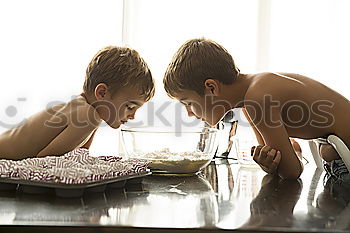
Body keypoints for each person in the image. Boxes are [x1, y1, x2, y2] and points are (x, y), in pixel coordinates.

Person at [163, 38, 350, 179]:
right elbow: (277, 158)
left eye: (188, 103)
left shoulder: (257, 98)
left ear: (211, 88)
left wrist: (294, 156)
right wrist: (270, 162)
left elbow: (292, 172)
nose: (189, 113)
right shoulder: (251, 97)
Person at [0, 46, 155, 160]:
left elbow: (80, 157)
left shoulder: (87, 111)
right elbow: (44, 162)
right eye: (130, 107)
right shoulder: (87, 116)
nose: (133, 116)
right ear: (101, 93)